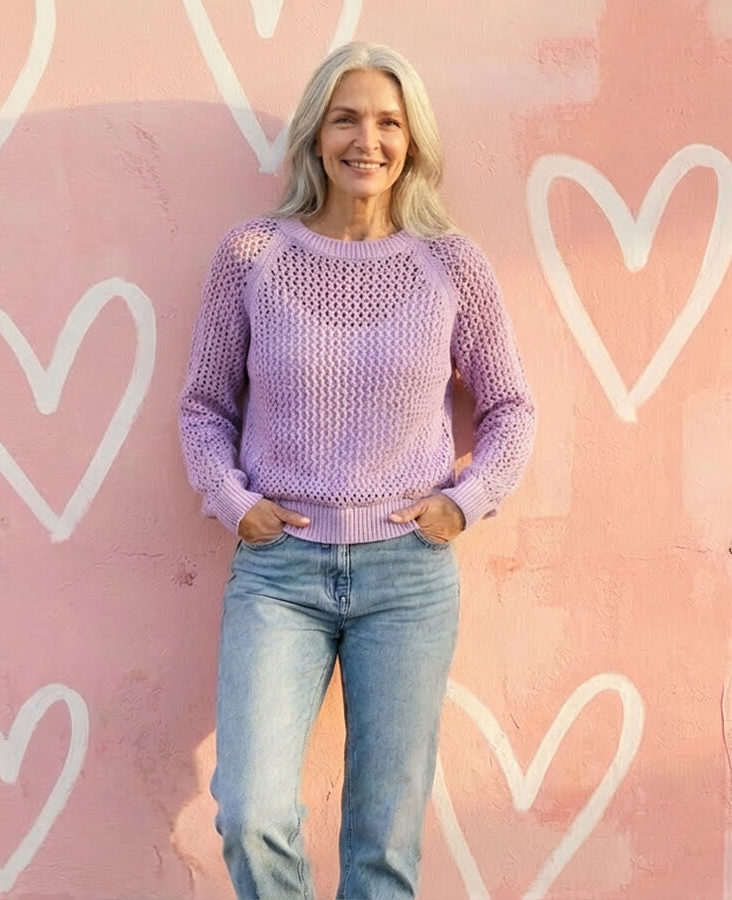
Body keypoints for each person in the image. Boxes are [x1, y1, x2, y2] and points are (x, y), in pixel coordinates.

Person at [179, 40, 536, 900]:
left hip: (407, 580)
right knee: (252, 812)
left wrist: (466, 502)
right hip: (278, 575)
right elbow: (203, 407)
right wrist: (235, 504)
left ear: (412, 140)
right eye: (345, 119)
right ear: (314, 135)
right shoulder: (252, 257)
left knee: (383, 840)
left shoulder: (450, 264)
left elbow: (510, 408)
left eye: (387, 121)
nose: (365, 140)